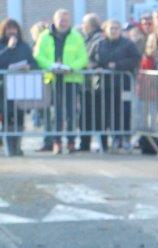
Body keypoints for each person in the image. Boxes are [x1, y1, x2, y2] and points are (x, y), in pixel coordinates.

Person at [33, 9, 88, 153]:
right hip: (52, 78)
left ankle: (71, 142)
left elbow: (83, 57)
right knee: (55, 112)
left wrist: (70, 67)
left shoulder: (76, 36)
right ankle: (56, 141)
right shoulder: (44, 36)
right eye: (60, 20)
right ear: (54, 20)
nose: (63, 23)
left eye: (65, 20)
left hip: (71, 78)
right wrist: (50, 66)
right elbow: (39, 55)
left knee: (71, 112)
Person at [89, 19, 141, 150]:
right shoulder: (98, 44)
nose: (114, 31)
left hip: (122, 84)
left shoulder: (128, 44)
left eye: (116, 28)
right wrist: (97, 69)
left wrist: (118, 66)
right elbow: (90, 61)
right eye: (111, 28)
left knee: (123, 112)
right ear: (105, 30)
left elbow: (135, 59)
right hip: (103, 85)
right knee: (103, 113)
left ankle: (122, 139)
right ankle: (103, 142)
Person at [0, 17, 36, 155]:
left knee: (20, 116)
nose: (11, 31)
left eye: (14, 28)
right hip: (4, 87)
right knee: (8, 116)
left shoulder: (24, 46)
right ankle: (10, 148)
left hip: (21, 87)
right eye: (8, 28)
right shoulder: (2, 45)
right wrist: (9, 48)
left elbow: (34, 63)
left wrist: (29, 66)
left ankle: (18, 146)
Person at [78, 13, 104, 151]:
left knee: (96, 115)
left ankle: (99, 144)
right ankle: (84, 143)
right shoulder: (87, 38)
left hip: (95, 84)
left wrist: (87, 66)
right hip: (88, 84)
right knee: (85, 115)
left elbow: (93, 59)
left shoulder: (98, 39)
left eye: (84, 24)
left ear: (88, 25)